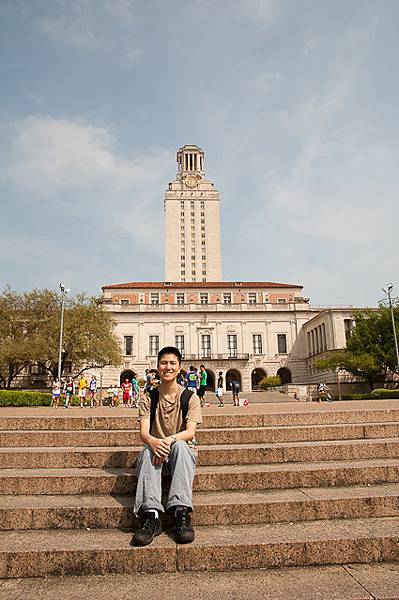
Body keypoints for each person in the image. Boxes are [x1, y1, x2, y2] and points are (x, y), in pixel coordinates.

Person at [133, 346, 202, 547]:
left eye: (172, 363)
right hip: (157, 453)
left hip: (180, 451)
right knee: (147, 452)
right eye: (164, 363)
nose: (168, 367)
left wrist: (168, 440)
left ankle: (181, 511)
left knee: (181, 446)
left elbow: (190, 433)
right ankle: (151, 515)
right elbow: (144, 433)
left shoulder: (190, 397)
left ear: (179, 368)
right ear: (157, 367)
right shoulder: (149, 398)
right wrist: (154, 442)